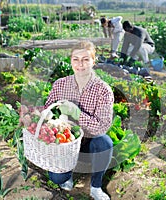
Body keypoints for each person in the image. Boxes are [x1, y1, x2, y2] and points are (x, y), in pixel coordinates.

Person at [44, 41, 114, 200]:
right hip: (64, 143)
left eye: (85, 59)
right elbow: (47, 110)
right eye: (76, 59)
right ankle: (67, 174)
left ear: (93, 61)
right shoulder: (60, 84)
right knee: (57, 178)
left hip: (89, 143)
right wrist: (55, 119)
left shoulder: (103, 90)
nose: (80, 64)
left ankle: (96, 187)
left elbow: (102, 126)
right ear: (70, 61)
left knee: (105, 143)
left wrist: (77, 113)